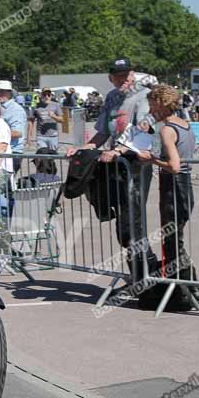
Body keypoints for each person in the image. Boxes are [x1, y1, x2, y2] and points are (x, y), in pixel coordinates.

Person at [65, 57, 157, 280]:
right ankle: (140, 275)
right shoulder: (112, 97)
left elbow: (143, 129)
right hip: (114, 164)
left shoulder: (143, 95)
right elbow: (102, 133)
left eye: (126, 75)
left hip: (135, 163)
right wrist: (82, 149)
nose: (122, 80)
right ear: (110, 77)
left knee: (131, 223)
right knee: (122, 225)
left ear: (132, 75)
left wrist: (120, 150)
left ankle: (148, 274)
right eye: (117, 76)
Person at [137, 84, 199, 307]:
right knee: (174, 241)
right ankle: (188, 289)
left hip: (174, 186)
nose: (151, 110)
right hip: (183, 186)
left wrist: (151, 159)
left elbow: (174, 166)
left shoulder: (167, 129)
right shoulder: (184, 124)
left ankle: (184, 292)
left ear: (163, 104)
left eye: (153, 105)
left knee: (172, 242)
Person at [0, 80, 27, 173]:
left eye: (3, 91)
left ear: (10, 93)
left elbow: (18, 133)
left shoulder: (16, 110)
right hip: (2, 152)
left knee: (1, 184)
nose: (0, 93)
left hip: (12, 152)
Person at [33, 87, 62, 151]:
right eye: (44, 95)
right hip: (41, 136)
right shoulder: (37, 106)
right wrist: (28, 138)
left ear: (51, 96)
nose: (46, 97)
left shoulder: (56, 105)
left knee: (52, 156)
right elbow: (31, 121)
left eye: (48, 95)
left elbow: (62, 120)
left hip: (53, 136)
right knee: (43, 155)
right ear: (41, 95)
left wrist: (54, 116)